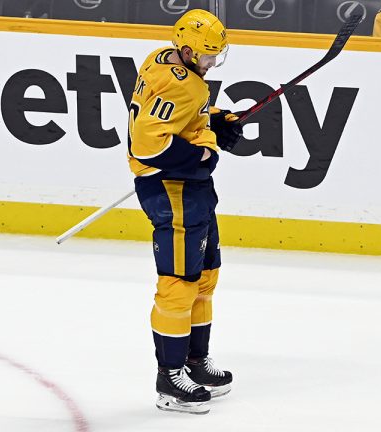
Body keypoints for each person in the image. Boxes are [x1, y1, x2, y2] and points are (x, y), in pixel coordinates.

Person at [127, 9, 243, 415]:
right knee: (179, 282)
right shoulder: (180, 85)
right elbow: (146, 144)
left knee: (205, 275)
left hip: (191, 190)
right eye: (209, 55)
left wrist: (215, 121)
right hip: (170, 188)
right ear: (189, 50)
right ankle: (170, 377)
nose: (213, 63)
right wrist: (202, 155)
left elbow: (182, 117)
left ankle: (194, 361)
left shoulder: (165, 57)